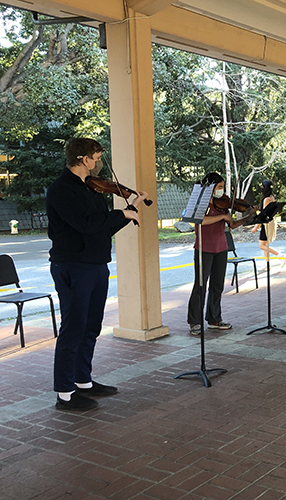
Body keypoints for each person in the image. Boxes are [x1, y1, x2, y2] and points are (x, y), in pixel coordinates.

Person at [46, 138, 147, 411]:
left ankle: (83, 382)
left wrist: (130, 211)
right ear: (82, 158)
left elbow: (102, 228)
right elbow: (86, 224)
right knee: (73, 328)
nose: (99, 161)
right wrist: (121, 213)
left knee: (91, 327)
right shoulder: (61, 190)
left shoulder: (91, 189)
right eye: (96, 156)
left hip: (96, 264)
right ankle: (65, 394)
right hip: (74, 266)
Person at [187, 172, 240, 335]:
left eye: (223, 187)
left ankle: (214, 319)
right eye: (219, 187)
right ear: (210, 187)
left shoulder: (222, 204)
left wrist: (250, 215)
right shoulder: (200, 204)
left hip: (221, 248)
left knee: (217, 285)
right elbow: (200, 221)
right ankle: (194, 321)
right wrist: (222, 216)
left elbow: (232, 224)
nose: (222, 191)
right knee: (200, 285)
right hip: (204, 248)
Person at [252, 179, 280, 259]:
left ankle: (280, 255)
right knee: (265, 244)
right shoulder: (271, 197)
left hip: (266, 223)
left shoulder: (266, 199)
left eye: (262, 186)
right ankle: (267, 262)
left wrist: (256, 227)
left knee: (262, 245)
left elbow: (263, 214)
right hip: (270, 222)